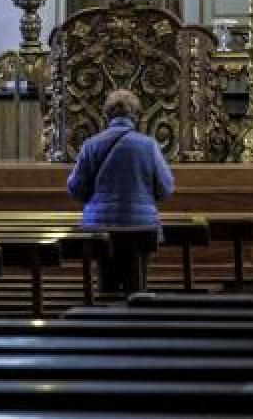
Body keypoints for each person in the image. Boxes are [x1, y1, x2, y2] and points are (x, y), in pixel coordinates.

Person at [67, 89, 175, 293]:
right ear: (134, 115)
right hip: (140, 226)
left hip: (100, 225)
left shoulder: (90, 146)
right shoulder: (149, 146)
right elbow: (166, 188)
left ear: (107, 115)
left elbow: (75, 189)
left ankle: (106, 317)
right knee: (137, 286)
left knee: (106, 285)